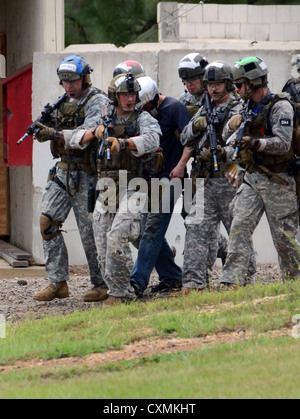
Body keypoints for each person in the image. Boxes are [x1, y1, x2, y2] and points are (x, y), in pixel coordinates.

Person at [78, 73, 162, 305]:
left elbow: (153, 139)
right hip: (106, 186)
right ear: (116, 96)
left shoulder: (142, 117)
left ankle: (120, 293)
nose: (130, 98)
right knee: (102, 241)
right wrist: (92, 133)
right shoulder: (104, 114)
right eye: (125, 94)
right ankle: (116, 286)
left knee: (117, 236)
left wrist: (124, 143)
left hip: (134, 185)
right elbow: (77, 136)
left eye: (133, 93)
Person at [33, 55, 110, 303]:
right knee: (47, 222)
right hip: (64, 171)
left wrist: (54, 133)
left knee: (91, 234)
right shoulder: (63, 102)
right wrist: (42, 128)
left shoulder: (98, 101)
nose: (69, 85)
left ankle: (101, 284)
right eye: (64, 81)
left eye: (73, 80)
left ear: (85, 78)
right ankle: (57, 283)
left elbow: (85, 135)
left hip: (89, 174)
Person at [176, 60, 256, 295]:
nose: (213, 89)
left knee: (237, 229)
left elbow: (240, 141)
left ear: (228, 84)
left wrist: (224, 152)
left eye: (219, 84)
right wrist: (196, 125)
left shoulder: (238, 108)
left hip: (230, 173)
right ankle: (193, 283)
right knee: (196, 227)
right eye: (210, 84)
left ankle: (243, 277)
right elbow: (184, 138)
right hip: (205, 178)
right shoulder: (205, 107)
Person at [220, 56, 300, 287]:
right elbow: (229, 138)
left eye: (240, 84)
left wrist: (256, 143)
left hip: (279, 181)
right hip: (252, 179)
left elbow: (283, 144)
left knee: (285, 240)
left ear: (254, 82)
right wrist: (232, 125)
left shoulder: (280, 106)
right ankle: (232, 281)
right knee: (239, 228)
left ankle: (294, 285)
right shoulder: (246, 106)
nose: (236, 89)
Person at [129, 76, 191, 295]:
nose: (142, 109)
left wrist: (181, 166)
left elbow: (190, 140)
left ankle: (137, 282)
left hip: (172, 177)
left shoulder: (175, 108)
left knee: (153, 228)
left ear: (154, 98)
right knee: (142, 231)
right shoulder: (140, 114)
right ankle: (172, 276)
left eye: (144, 105)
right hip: (147, 180)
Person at [178, 52, 209, 117]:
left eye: (193, 79)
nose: (189, 84)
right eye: (185, 80)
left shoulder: (216, 98)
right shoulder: (184, 98)